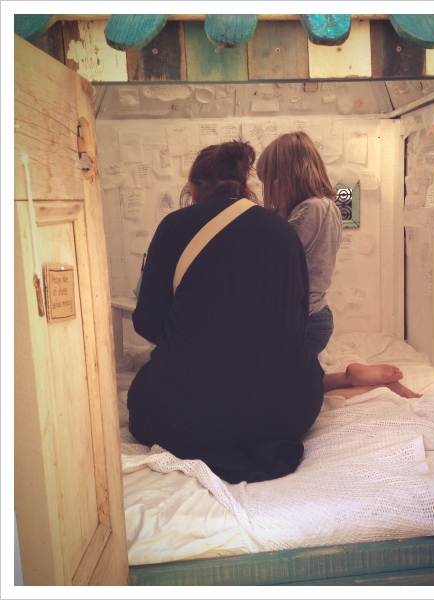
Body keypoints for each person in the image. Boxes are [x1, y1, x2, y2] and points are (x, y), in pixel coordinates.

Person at [127, 140, 326, 484]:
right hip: (286, 412)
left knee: (142, 398)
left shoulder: (174, 227)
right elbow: (298, 322)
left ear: (192, 189)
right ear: (247, 189)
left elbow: (147, 323)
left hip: (188, 416)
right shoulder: (283, 232)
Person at [256, 131, 342, 357]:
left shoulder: (315, 208)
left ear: (285, 179)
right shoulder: (302, 209)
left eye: (269, 182)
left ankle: (351, 375)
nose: (268, 190)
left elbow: (273, 258)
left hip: (307, 320)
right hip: (304, 317)